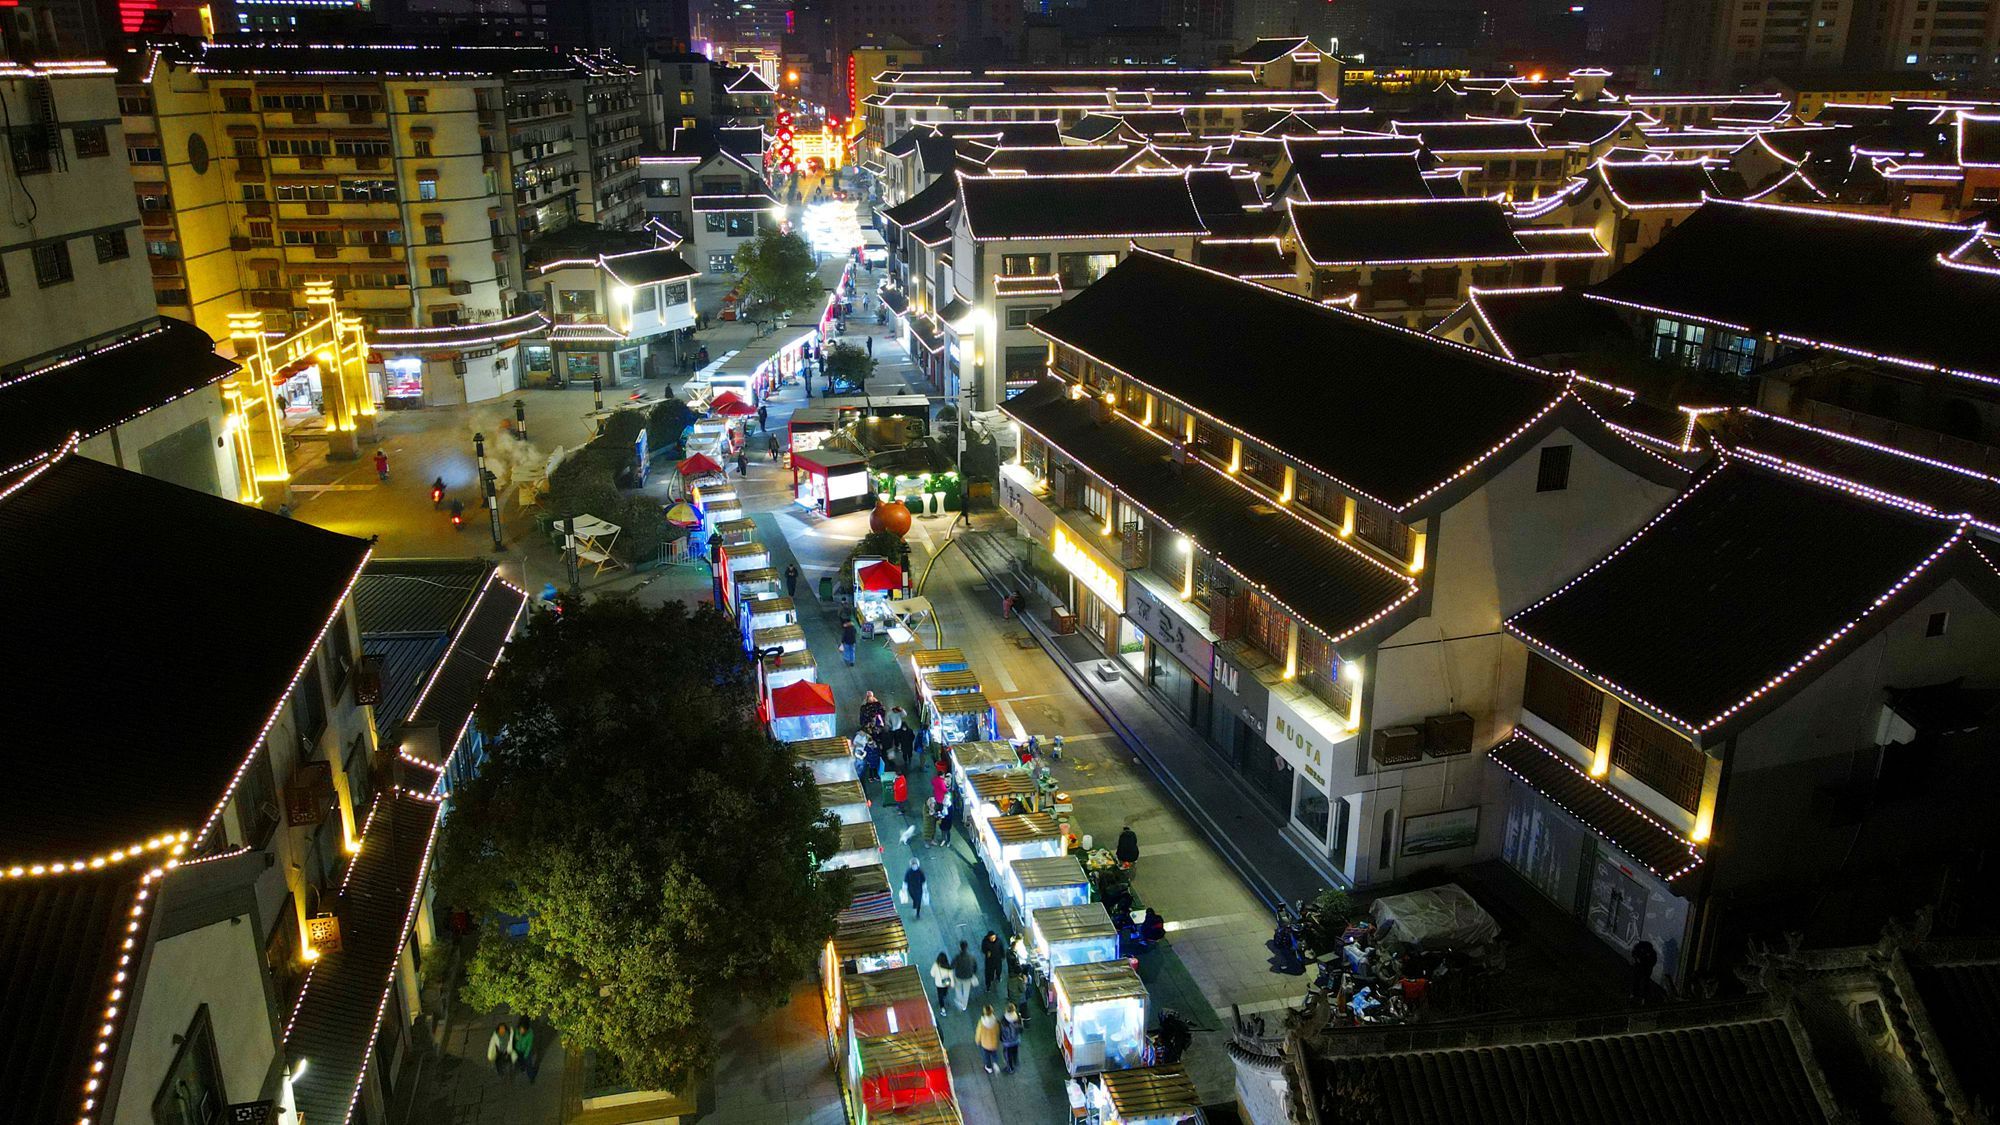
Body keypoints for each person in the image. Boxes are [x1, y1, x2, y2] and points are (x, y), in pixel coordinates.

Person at [975, 1005, 1002, 1074]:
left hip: (985, 1044)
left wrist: (977, 1041)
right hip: (994, 1043)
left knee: (986, 1056)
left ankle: (989, 1067)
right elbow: (998, 1031)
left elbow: (978, 1033)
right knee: (994, 1054)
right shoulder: (996, 1021)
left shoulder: (981, 1023)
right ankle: (995, 1062)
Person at [951, 942, 978, 1011]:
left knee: (958, 990)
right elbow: (975, 967)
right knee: (966, 991)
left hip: (959, 976)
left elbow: (952, 966)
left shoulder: (957, 957)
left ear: (960, 948)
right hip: (968, 977)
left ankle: (959, 1001)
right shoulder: (972, 957)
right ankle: (964, 1005)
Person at [999, 1003, 1023, 1073]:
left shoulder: (1003, 1019)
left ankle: (1010, 1068)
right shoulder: (1018, 1017)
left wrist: (1001, 1038)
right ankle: (1016, 1062)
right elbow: (1021, 1029)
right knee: (1015, 1052)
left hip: (1007, 1042)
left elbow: (1001, 1031)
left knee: (1008, 1055)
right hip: (1016, 1040)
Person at [513, 1018, 538, 1083]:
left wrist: (526, 1055)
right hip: (518, 1049)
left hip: (526, 1051)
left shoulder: (530, 1034)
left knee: (529, 1065)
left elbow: (529, 1046)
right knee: (520, 1061)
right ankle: (522, 1067)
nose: (521, 1031)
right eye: (520, 1029)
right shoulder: (517, 1031)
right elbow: (515, 1038)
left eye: (522, 1030)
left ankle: (531, 1077)